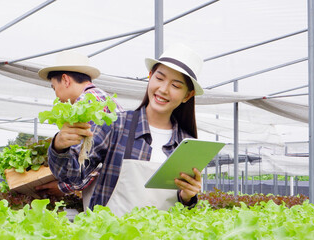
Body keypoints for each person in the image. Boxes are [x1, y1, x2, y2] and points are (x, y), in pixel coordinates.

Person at [48, 43, 204, 215]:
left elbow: (182, 213)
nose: (163, 89)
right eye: (159, 78)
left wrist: (187, 198)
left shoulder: (187, 145)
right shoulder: (117, 124)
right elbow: (72, 176)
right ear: (150, 76)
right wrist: (59, 146)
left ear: (187, 95)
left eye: (176, 85)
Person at [35, 50, 123, 198]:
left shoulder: (89, 105)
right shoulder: (101, 98)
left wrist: (62, 187)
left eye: (54, 87)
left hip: (110, 197)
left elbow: (84, 165)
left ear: (65, 80)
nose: (56, 94)